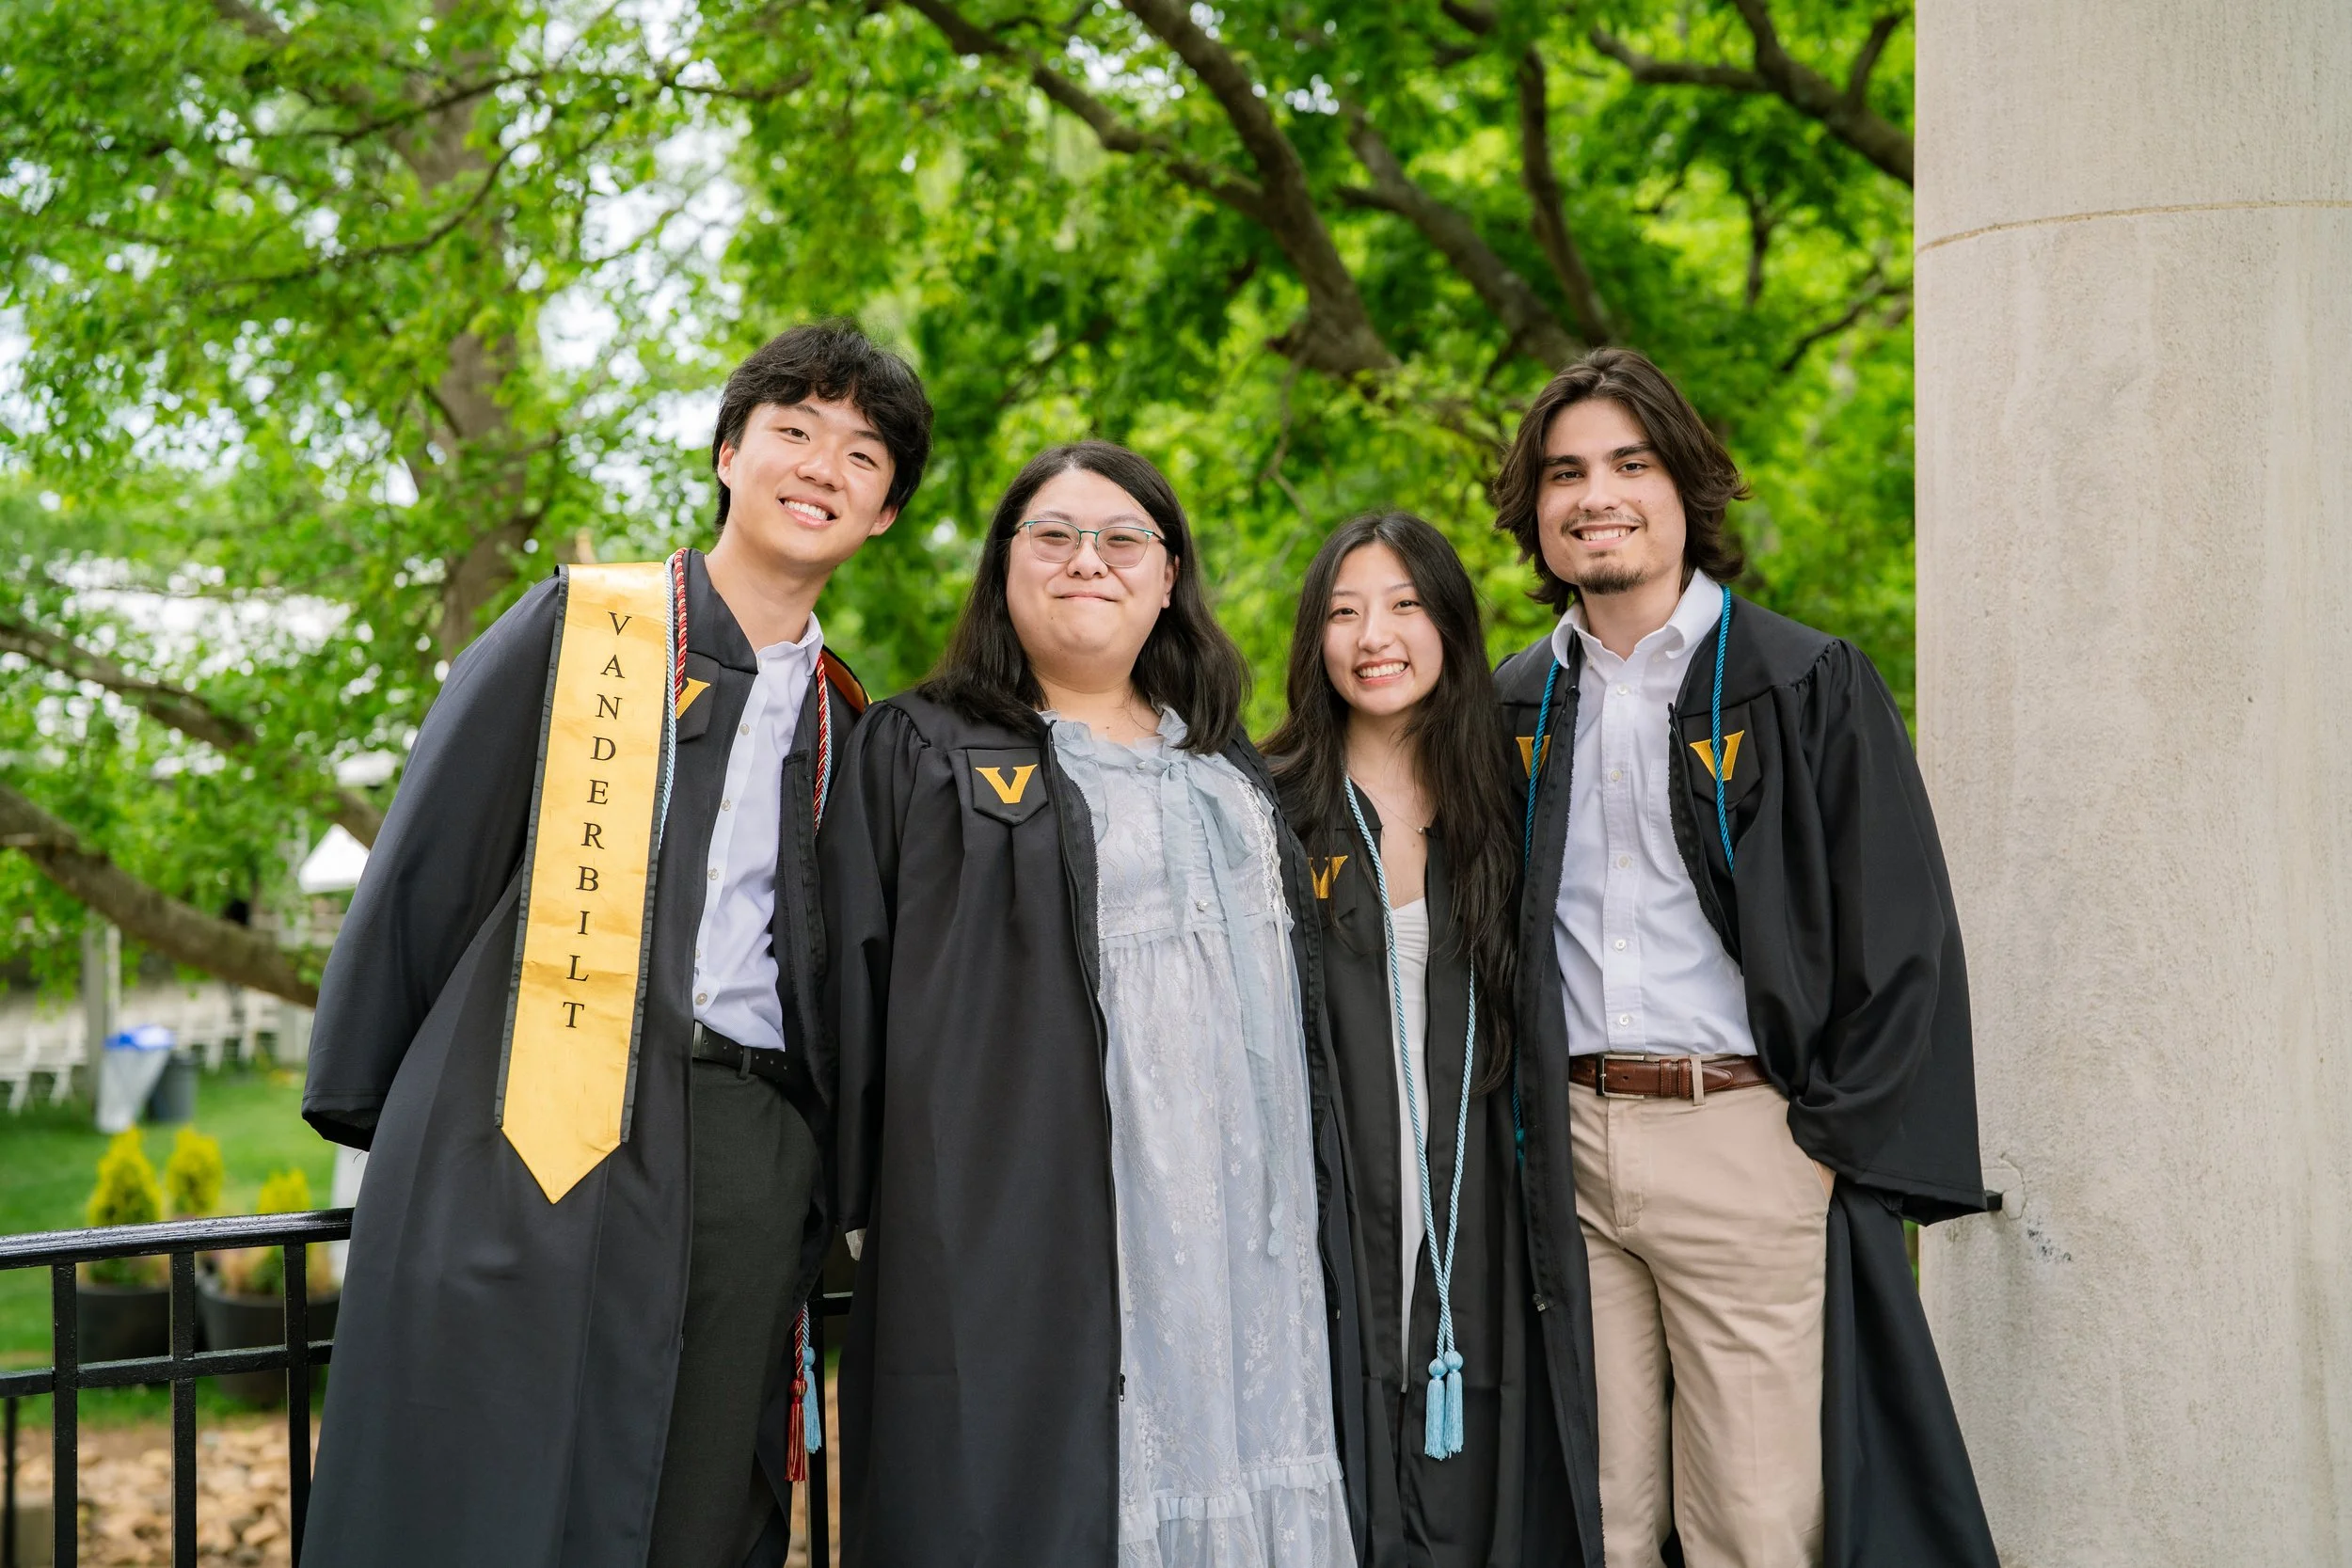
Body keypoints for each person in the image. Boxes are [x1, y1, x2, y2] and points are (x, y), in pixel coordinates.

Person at [299, 320, 932, 1568]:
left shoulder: (853, 723)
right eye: (795, 430)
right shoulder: (588, 628)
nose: (821, 466)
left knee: (698, 1497)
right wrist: (403, 1117)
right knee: (495, 1467)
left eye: (863, 455)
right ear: (727, 451)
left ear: (885, 516)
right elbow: (436, 855)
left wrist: (825, 1166)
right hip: (540, 1104)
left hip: (750, 1138)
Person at [1491, 346, 1996, 1568]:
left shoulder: (1801, 678)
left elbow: (1902, 934)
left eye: (1629, 461)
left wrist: (1820, 1147)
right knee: (1598, 1516)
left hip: (1745, 1137)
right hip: (1569, 1152)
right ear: (1536, 509)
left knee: (1758, 1526)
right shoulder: (1514, 702)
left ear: (1687, 485)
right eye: (1564, 472)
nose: (1593, 493)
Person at [819, 440, 1366, 1567]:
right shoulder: (921, 749)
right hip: (1045, 1227)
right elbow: (848, 994)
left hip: (1247, 1237)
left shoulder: (1231, 773)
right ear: (1002, 567)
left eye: (1124, 539)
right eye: (1053, 536)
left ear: (1168, 577)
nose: (1089, 561)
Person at [1263, 513, 1599, 1568]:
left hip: (1481, 1194)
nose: (1376, 634)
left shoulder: (1515, 803)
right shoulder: (1266, 804)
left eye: (1405, 604)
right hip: (1330, 1185)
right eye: (1344, 610)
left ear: (1451, 624)